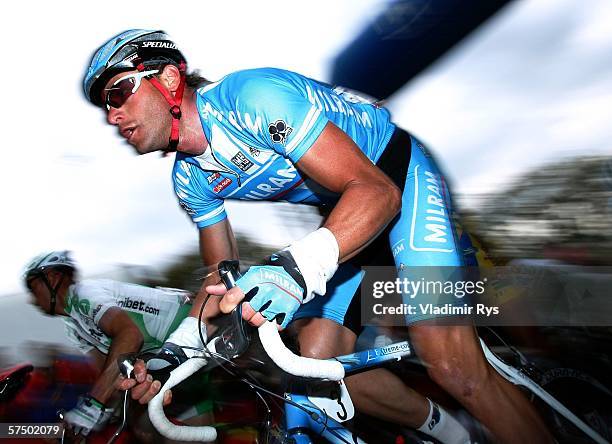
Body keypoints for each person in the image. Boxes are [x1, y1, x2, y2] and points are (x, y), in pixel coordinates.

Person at [83, 29, 552, 443]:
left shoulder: (249, 97)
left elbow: (376, 191)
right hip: (346, 214)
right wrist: (170, 356)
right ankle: (455, 434)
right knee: (315, 364)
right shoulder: (190, 180)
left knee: (450, 364)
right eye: (106, 104)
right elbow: (218, 285)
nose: (112, 115)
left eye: (118, 93)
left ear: (168, 79)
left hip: (394, 178)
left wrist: (293, 269)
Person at [22, 250, 212, 438]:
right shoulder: (73, 326)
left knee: (141, 424)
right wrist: (93, 411)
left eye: (32, 287)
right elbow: (107, 373)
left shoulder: (84, 294)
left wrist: (94, 404)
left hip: (192, 329)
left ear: (53, 277)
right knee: (186, 434)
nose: (32, 299)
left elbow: (130, 335)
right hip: (166, 358)